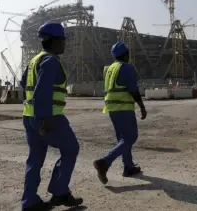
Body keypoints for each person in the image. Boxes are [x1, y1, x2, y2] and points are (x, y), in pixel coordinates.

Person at [20, 22, 83, 211]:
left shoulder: (35, 60)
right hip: (50, 117)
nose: (64, 45)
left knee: (35, 159)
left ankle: (29, 200)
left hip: (29, 116)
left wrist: (35, 111)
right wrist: (45, 118)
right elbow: (43, 90)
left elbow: (25, 83)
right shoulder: (51, 61)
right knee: (71, 148)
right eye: (63, 41)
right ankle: (59, 191)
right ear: (54, 41)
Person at [93, 42, 147, 185]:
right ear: (125, 54)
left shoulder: (109, 69)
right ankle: (105, 161)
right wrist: (142, 106)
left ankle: (128, 167)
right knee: (131, 137)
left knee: (123, 139)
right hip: (124, 108)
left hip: (111, 108)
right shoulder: (126, 68)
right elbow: (133, 90)